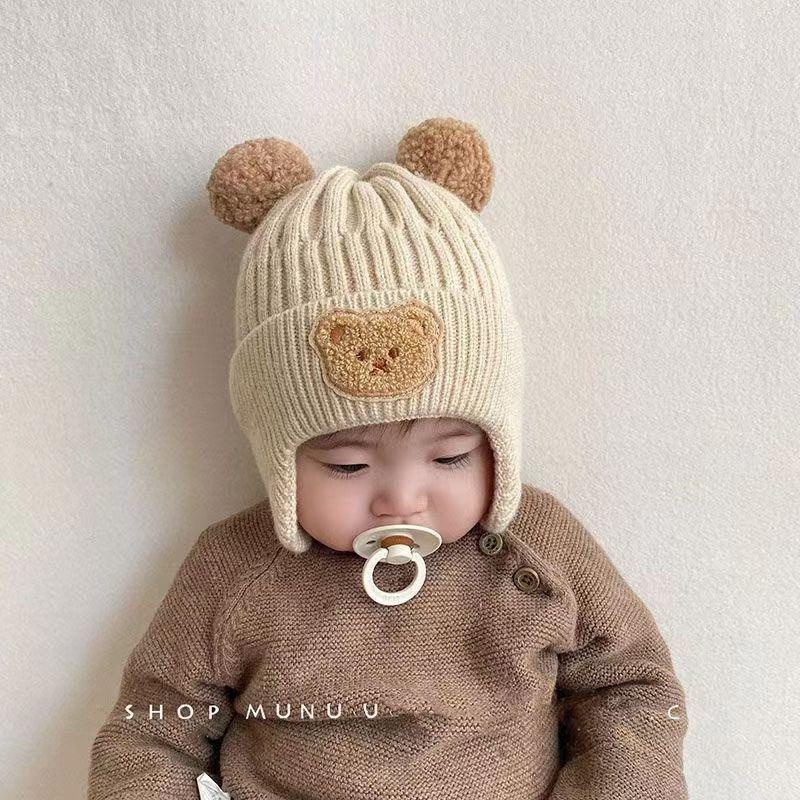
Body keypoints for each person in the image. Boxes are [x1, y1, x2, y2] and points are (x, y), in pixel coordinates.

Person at [87, 117, 689, 800]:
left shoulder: (538, 549)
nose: (402, 498)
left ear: (498, 443)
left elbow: (635, 689)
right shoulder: (235, 572)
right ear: (280, 457)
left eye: (451, 456)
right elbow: (149, 732)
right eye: (348, 466)